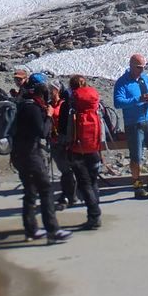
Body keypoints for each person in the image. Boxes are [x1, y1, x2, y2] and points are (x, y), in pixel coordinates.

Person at [12, 74, 72, 244]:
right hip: (31, 154)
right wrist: (49, 116)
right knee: (45, 189)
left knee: (30, 191)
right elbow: (42, 132)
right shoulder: (33, 108)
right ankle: (53, 230)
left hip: (18, 154)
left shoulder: (22, 104)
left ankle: (31, 230)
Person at [114, 54, 148, 199]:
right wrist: (137, 99)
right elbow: (118, 102)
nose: (141, 70)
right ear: (131, 66)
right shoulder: (122, 82)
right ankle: (137, 185)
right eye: (138, 67)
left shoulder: (145, 78)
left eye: (143, 67)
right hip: (133, 124)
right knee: (136, 157)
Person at [65, 75, 103, 229]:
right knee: (93, 181)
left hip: (78, 148)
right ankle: (95, 213)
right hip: (94, 146)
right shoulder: (94, 103)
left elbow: (65, 126)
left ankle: (94, 215)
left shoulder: (73, 104)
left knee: (84, 182)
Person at [50, 82, 78, 209]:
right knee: (65, 170)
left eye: (53, 89)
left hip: (63, 141)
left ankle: (68, 196)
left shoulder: (64, 104)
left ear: (59, 90)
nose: (50, 91)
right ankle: (70, 195)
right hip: (55, 140)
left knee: (66, 170)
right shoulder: (51, 104)